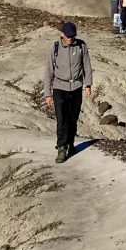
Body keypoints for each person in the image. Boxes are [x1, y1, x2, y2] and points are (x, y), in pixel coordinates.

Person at [43, 22, 92, 163]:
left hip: (76, 87)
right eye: (68, 36)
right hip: (59, 88)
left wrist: (87, 85)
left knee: (73, 118)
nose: (71, 39)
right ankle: (61, 148)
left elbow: (87, 66)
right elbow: (49, 72)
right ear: (62, 34)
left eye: (73, 36)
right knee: (62, 119)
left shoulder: (81, 46)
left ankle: (70, 142)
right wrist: (48, 93)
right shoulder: (55, 48)